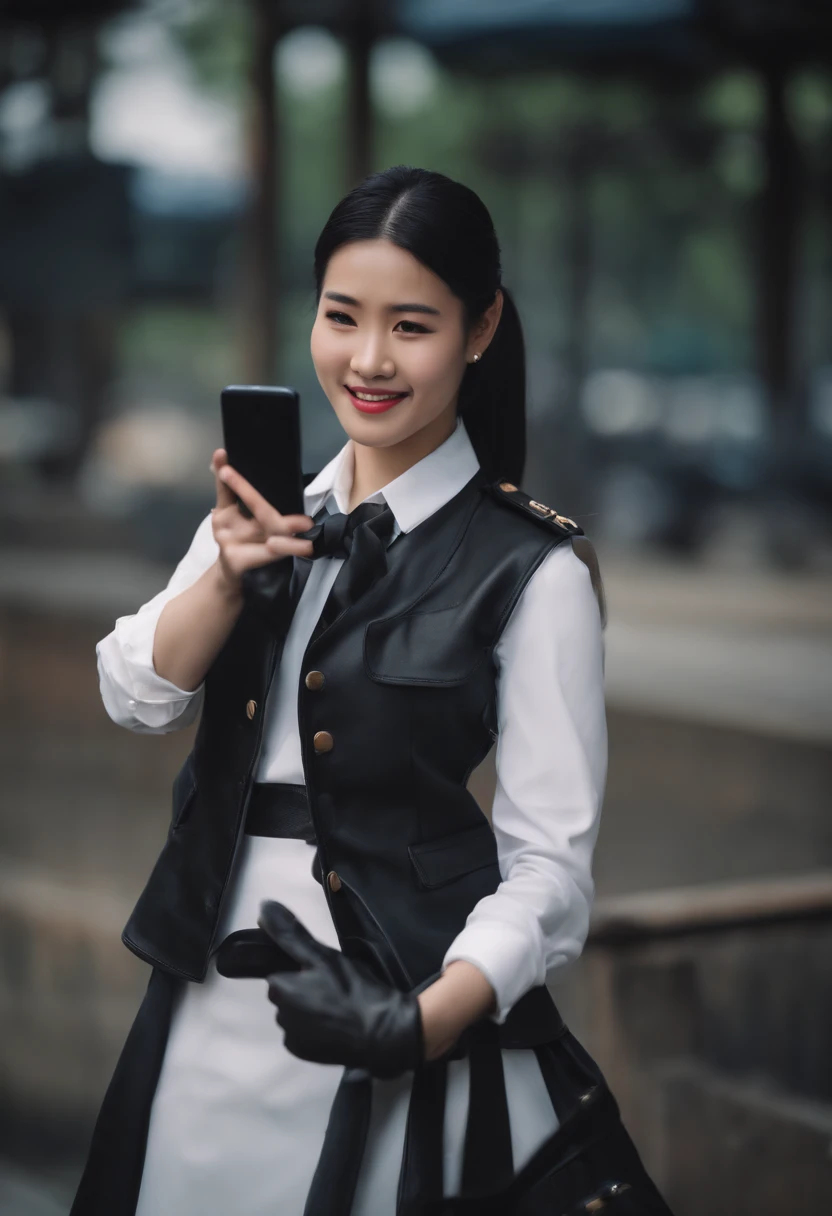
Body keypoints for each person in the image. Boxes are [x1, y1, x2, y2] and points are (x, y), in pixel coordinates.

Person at [71, 166, 671, 1216]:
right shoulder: (263, 513)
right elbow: (134, 693)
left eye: (412, 325)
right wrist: (225, 572)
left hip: (404, 1004)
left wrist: (425, 1022)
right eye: (342, 316)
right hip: (208, 993)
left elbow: (550, 872)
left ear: (480, 328)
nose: (368, 359)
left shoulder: (537, 572)